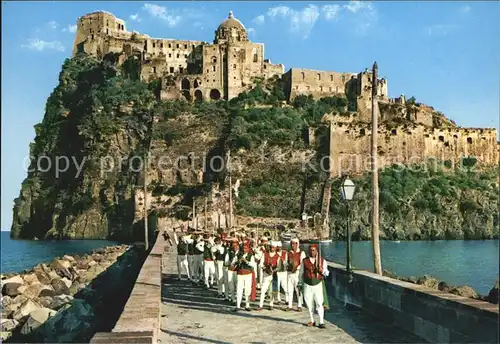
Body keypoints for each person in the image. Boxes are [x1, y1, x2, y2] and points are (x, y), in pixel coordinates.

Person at [299, 244, 329, 329]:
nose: (312, 252)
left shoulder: (322, 261)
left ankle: (321, 321)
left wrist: (321, 270)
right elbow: (301, 272)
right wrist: (299, 283)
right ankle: (312, 320)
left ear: (316, 251)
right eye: (311, 250)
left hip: (317, 284)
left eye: (313, 250)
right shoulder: (304, 261)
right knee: (309, 303)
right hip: (307, 285)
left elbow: (327, 273)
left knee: (319, 303)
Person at [234, 240, 257, 311]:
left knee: (247, 289)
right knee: (239, 289)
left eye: (246, 248)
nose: (244, 250)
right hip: (240, 274)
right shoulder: (238, 255)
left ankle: (247, 305)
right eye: (243, 248)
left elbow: (253, 265)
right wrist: (238, 261)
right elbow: (232, 263)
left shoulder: (251, 256)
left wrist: (246, 261)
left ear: (248, 249)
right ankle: (238, 305)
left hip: (248, 274)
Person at [258, 241, 280, 311]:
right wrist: (266, 269)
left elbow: (279, 267)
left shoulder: (277, 256)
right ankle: (260, 305)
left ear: (275, 248)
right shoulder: (265, 254)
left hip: (274, 275)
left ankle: (271, 304)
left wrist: (274, 270)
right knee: (263, 290)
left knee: (273, 290)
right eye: (271, 247)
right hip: (266, 274)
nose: (272, 248)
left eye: (273, 247)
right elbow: (261, 264)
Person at [285, 238, 306, 311]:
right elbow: (286, 262)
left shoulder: (301, 253)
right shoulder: (289, 253)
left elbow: (302, 264)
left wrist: (296, 268)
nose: (293, 245)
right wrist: (288, 265)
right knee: (289, 289)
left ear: (297, 244)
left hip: (297, 274)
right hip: (289, 273)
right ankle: (289, 305)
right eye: (292, 243)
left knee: (298, 290)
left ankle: (299, 305)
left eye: (294, 243)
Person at [224, 239, 240, 304]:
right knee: (231, 285)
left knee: (237, 285)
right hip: (230, 270)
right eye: (233, 245)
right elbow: (226, 262)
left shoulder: (241, 253)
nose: (235, 246)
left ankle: (238, 299)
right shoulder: (229, 252)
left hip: (237, 271)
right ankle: (233, 299)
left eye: (236, 245)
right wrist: (229, 263)